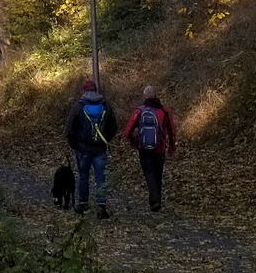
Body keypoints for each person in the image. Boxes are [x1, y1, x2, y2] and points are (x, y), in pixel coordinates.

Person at [64, 79, 117, 217]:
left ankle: (83, 204)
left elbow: (69, 129)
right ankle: (101, 207)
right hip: (100, 148)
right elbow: (114, 126)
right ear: (96, 90)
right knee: (100, 178)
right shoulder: (105, 105)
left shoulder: (78, 106)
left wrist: (74, 144)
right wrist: (105, 139)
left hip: (83, 149)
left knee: (83, 177)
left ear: (84, 91)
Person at [124, 85, 178, 212]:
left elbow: (128, 132)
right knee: (158, 173)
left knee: (149, 173)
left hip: (143, 149)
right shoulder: (164, 111)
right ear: (156, 95)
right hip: (159, 148)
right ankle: (157, 199)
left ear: (144, 96)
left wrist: (134, 142)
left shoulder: (139, 111)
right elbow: (172, 130)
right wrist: (171, 147)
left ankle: (155, 201)